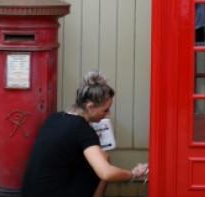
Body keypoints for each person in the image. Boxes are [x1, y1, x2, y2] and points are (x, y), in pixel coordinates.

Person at [21, 71, 149, 197]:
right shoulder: (83, 130)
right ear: (90, 107)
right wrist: (133, 174)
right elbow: (106, 173)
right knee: (103, 161)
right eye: (105, 109)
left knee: (102, 156)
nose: (108, 113)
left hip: (30, 192)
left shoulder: (55, 118)